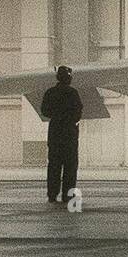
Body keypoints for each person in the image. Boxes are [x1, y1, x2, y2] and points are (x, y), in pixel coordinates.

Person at [40, 65, 82, 204]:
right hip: (69, 135)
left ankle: (52, 194)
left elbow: (44, 111)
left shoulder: (50, 92)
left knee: (54, 166)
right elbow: (78, 113)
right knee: (70, 166)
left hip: (55, 134)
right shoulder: (73, 93)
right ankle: (68, 195)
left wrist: (57, 115)